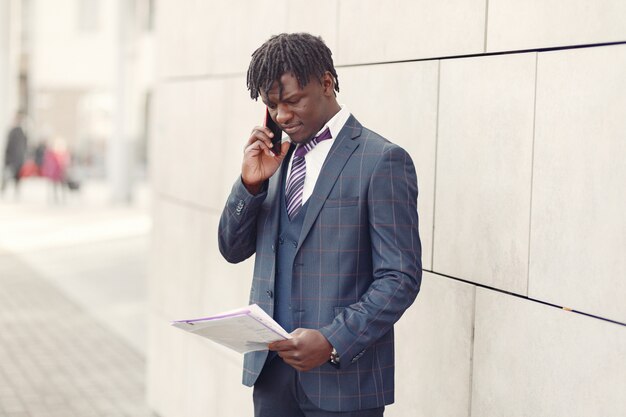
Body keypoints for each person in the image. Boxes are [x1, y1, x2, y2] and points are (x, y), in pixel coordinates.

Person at [218, 33, 422, 417]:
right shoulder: (273, 161)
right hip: (272, 378)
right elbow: (231, 249)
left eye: (292, 101)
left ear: (327, 83)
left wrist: (332, 340)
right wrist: (250, 184)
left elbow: (400, 276)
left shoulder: (382, 160)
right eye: (272, 106)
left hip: (344, 383)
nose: (281, 116)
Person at [1, 111, 28, 197]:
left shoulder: (21, 132)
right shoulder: (16, 131)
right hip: (14, 159)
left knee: (14, 177)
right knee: (9, 176)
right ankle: (4, 190)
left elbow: (23, 146)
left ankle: (11, 191)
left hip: (17, 159)